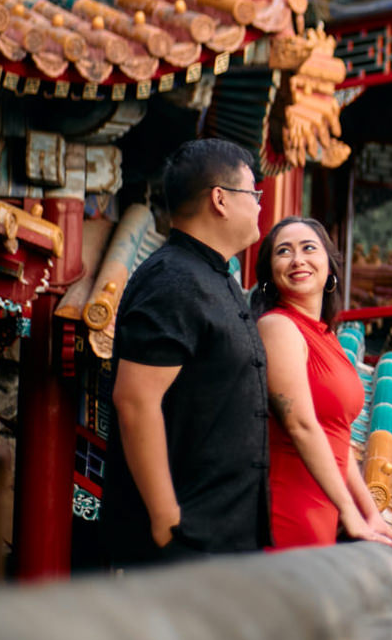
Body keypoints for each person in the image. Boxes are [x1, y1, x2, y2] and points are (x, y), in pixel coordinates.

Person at [102, 139, 270, 566]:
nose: (258, 206)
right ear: (220, 199)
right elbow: (135, 399)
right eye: (253, 193)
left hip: (224, 539)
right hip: (184, 542)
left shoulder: (216, 277)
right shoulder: (172, 279)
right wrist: (165, 517)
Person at [253, 216, 392, 552]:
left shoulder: (327, 335)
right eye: (284, 252)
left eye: (309, 248)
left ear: (330, 268)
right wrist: (350, 513)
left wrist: (370, 513)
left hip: (323, 509)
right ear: (270, 275)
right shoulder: (278, 327)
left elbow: (338, 440)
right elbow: (300, 425)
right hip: (288, 505)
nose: (297, 259)